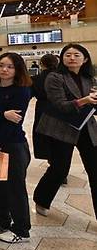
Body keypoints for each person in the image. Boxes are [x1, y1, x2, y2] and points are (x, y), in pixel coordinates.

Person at [33, 44, 97, 218]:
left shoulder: (89, 78)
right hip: (61, 127)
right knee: (60, 168)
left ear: (85, 59)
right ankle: (41, 198)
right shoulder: (55, 77)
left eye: (77, 55)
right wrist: (85, 100)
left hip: (86, 128)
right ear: (62, 58)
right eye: (67, 55)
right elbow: (60, 105)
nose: (72, 58)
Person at [0, 52, 33, 243]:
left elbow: (15, 122)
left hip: (13, 144)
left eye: (10, 66)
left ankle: (21, 230)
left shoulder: (22, 90)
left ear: (17, 69)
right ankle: (1, 222)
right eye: (1, 65)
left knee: (15, 188)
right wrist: (3, 113)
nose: (4, 69)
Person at [30, 54, 59, 161]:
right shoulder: (62, 77)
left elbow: (28, 95)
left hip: (42, 108)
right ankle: (57, 158)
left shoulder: (35, 79)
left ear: (41, 64)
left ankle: (47, 156)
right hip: (59, 107)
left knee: (43, 134)